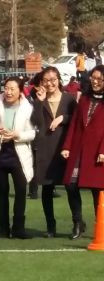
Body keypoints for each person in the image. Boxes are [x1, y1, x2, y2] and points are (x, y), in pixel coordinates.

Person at [0, 76, 37, 239]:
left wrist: (17, 135)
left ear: (20, 91)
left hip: (18, 153)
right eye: (6, 88)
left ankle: (18, 228)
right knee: (2, 191)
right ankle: (3, 228)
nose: (8, 92)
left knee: (21, 190)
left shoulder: (27, 108)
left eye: (12, 89)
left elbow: (32, 132)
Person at [31, 67, 77, 238]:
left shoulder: (69, 99)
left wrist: (63, 118)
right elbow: (35, 121)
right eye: (46, 80)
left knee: (71, 187)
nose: (49, 83)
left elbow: (77, 120)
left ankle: (77, 222)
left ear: (58, 80)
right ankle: (51, 226)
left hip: (65, 148)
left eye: (53, 79)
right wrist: (39, 102)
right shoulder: (38, 99)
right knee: (47, 188)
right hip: (46, 148)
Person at [60, 64, 104, 240]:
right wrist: (66, 146)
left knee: (98, 190)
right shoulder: (84, 99)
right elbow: (74, 124)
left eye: (100, 79)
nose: (95, 82)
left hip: (97, 150)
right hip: (79, 148)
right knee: (70, 185)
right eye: (93, 78)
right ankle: (78, 222)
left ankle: (100, 223)